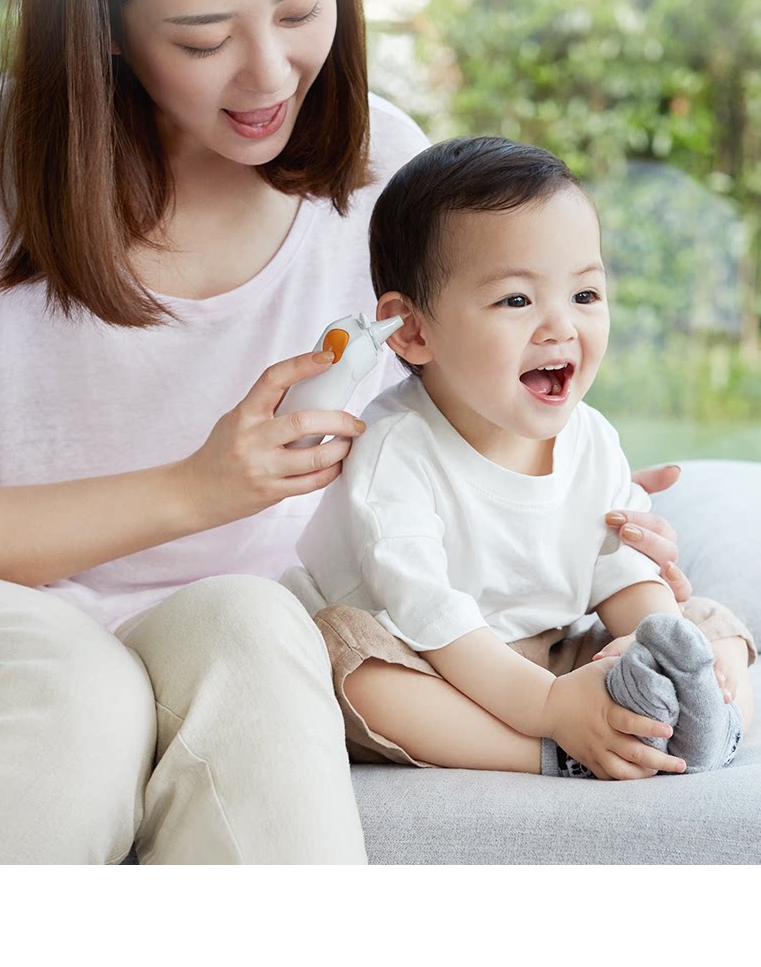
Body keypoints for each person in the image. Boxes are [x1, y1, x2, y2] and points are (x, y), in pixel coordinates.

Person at [0, 0, 696, 865]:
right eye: (202, 37)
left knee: (260, 637)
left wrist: (575, 503)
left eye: (301, 8)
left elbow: (467, 403)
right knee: (79, 708)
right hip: (12, 606)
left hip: (270, 607)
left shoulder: (384, 173)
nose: (269, 74)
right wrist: (195, 491)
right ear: (103, 23)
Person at [283, 137, 755, 780]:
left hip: (551, 651)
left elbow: (623, 570)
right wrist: (551, 710)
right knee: (345, 665)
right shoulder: (396, 455)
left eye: (584, 295)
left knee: (711, 626)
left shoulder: (591, 438)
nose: (561, 326)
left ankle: (703, 723)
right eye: (516, 300)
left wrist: (650, 641)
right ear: (413, 330)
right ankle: (552, 753)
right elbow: (434, 619)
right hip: (425, 658)